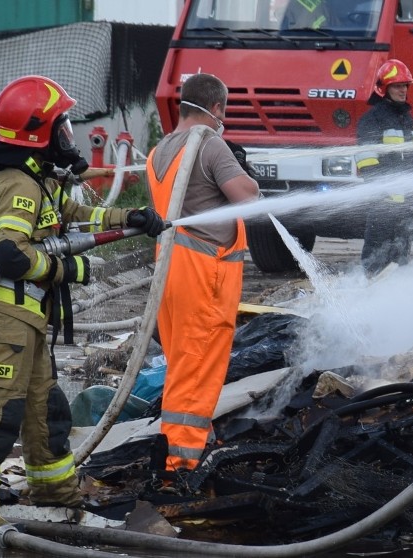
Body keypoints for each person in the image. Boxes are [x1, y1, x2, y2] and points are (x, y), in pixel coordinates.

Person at [0, 75, 164, 529]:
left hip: (28, 318)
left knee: (46, 409)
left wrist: (133, 218)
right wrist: (69, 270)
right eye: (62, 123)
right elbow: (10, 253)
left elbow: (78, 215)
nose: (69, 132)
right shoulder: (18, 185)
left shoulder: (37, 179)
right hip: (7, 316)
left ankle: (52, 492)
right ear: (38, 130)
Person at [146, 73, 260, 472]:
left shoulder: (160, 150)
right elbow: (246, 196)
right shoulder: (210, 144)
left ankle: (189, 443)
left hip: (171, 269)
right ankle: (182, 463)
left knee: (183, 363)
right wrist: (247, 174)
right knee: (199, 363)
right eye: (222, 110)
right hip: (204, 271)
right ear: (216, 108)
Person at [355, 59, 413, 278]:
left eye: (405, 86)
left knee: (401, 261)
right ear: (384, 88)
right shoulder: (372, 120)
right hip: (383, 206)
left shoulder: (407, 119)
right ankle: (369, 300)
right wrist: (383, 192)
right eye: (397, 86)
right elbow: (366, 160)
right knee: (376, 260)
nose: (403, 90)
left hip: (405, 206)